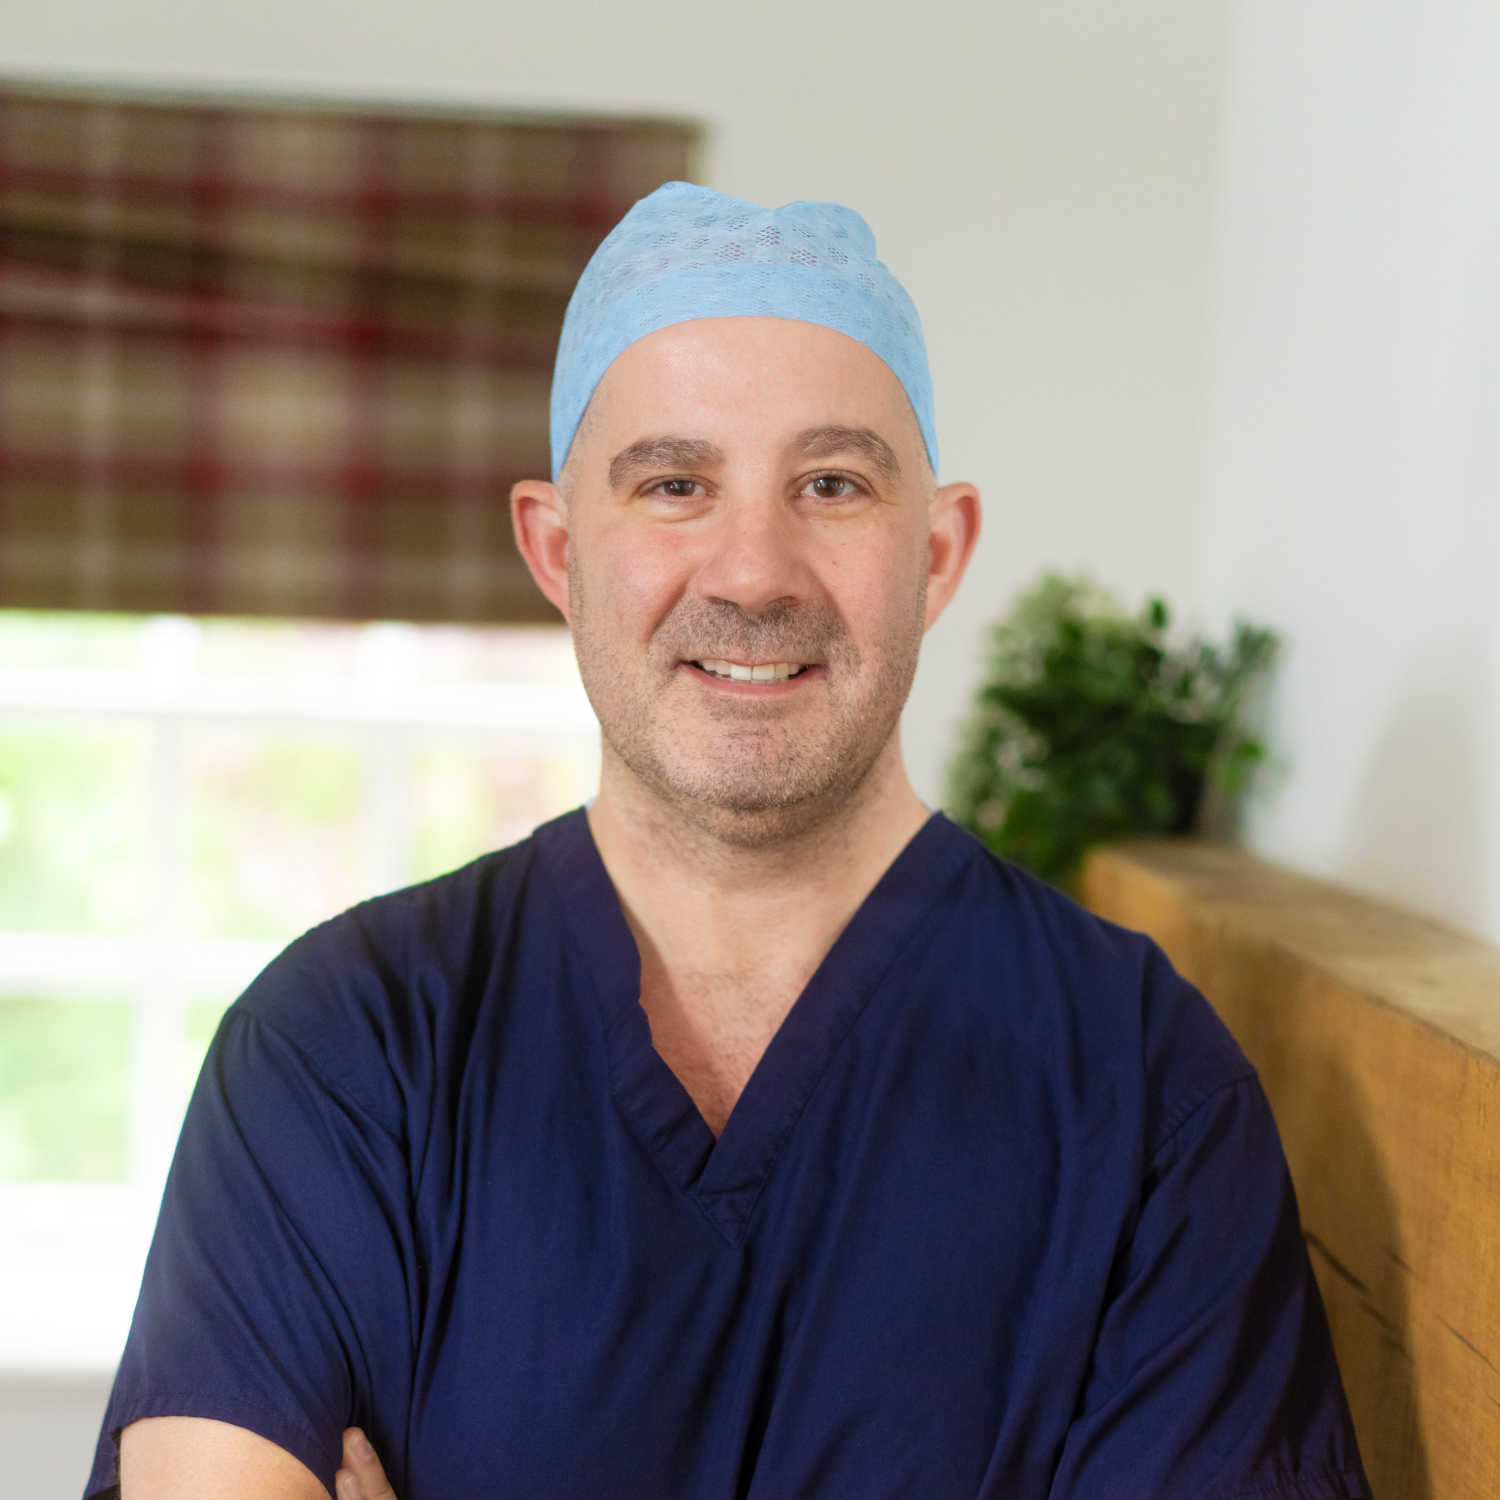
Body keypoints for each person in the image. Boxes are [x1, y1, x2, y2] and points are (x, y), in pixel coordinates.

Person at [90, 182, 1368, 1500]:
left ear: (937, 552)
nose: (753, 572)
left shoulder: (1144, 1095)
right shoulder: (346, 1052)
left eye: (831, 482)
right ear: (556, 547)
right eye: (673, 483)